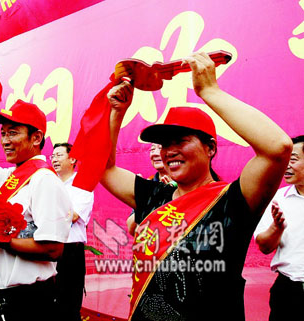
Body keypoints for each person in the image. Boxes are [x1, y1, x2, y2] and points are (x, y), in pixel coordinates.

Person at [100, 52, 292, 320]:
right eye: (165, 144)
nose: (170, 151)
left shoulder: (233, 200)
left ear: (210, 147)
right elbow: (105, 169)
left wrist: (210, 91)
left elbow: (278, 149)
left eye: (181, 141)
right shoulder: (155, 195)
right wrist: (117, 113)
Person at [0, 98, 72, 321]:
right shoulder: (8, 177)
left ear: (36, 138)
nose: (5, 141)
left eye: (13, 133)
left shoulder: (45, 181)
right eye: (3, 134)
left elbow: (52, 249)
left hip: (27, 304)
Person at [254, 135, 304, 320]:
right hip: (289, 290)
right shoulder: (278, 199)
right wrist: (276, 229)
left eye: (293, 160)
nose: (286, 166)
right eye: (285, 161)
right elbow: (264, 246)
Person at [50, 142, 94, 321]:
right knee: (48, 304)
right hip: (47, 248)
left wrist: (46, 213)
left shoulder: (82, 185)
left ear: (72, 159)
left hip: (70, 252)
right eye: (52, 156)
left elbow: (73, 216)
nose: (54, 159)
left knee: (68, 304)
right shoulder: (50, 185)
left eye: (59, 155)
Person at [127, 143, 174, 236]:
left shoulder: (185, 183)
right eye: (152, 149)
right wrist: (144, 199)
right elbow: (131, 229)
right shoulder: (149, 184)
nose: (155, 154)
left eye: (160, 148)